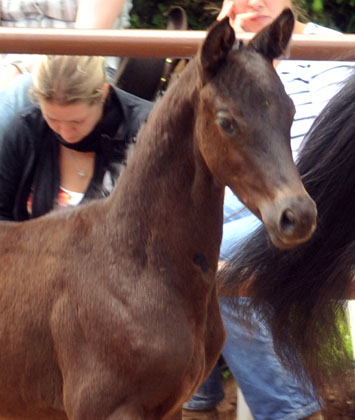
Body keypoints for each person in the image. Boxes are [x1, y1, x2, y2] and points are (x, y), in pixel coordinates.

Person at [183, 1, 354, 419]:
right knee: (172, 247)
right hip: (238, 203)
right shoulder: (215, 54)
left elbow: (332, 161)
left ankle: (288, 411)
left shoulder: (325, 51)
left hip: (303, 201)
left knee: (221, 264)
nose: (253, 1)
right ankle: (193, 399)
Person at [0, 55, 152, 221]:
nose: (66, 133)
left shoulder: (145, 132)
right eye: (52, 119)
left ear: (104, 92)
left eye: (77, 121)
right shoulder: (26, 130)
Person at [0, 0, 132, 136]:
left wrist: (20, 68)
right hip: (6, 67)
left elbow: (82, 42)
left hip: (80, 68)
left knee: (21, 87)